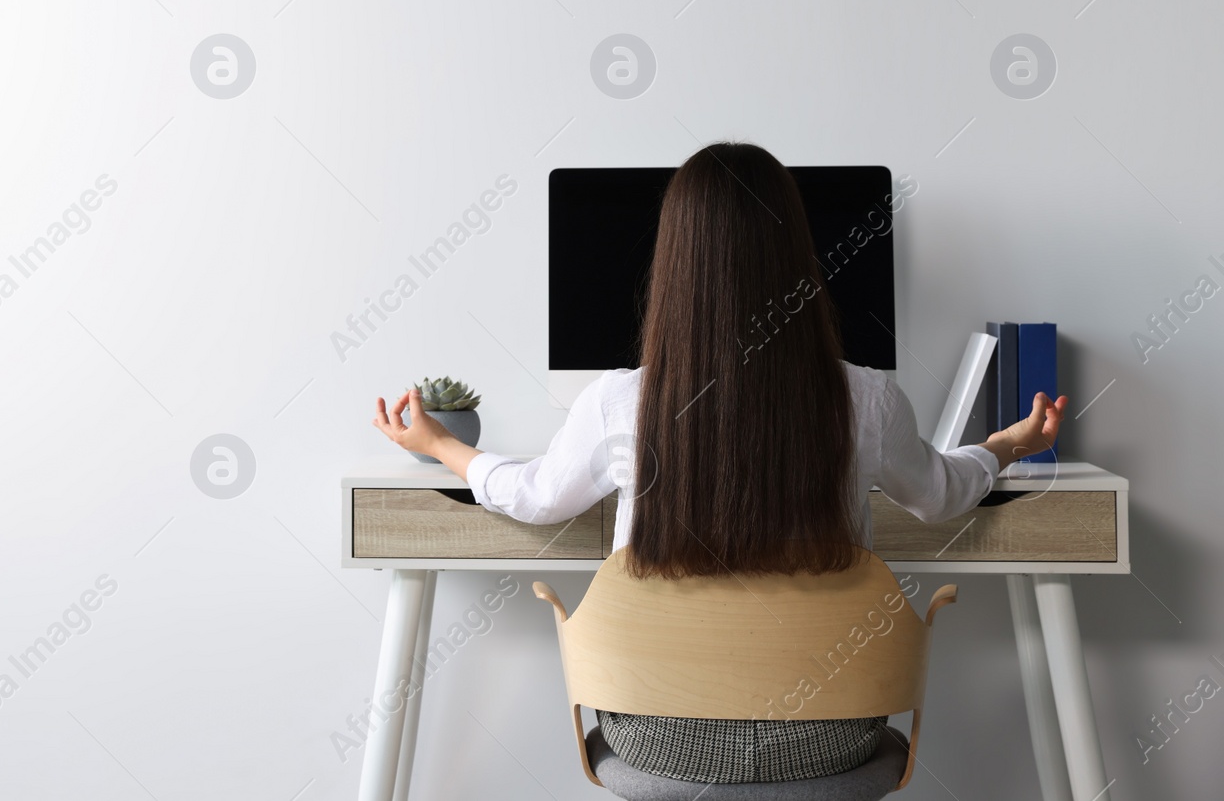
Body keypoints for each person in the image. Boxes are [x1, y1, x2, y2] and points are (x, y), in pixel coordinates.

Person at [370, 142, 1066, 784]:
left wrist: (442, 446)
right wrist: (1005, 445)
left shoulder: (617, 402)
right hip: (831, 736)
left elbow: (533, 495)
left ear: (673, 262)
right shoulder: (868, 399)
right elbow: (940, 494)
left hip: (656, 735)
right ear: (798, 255)